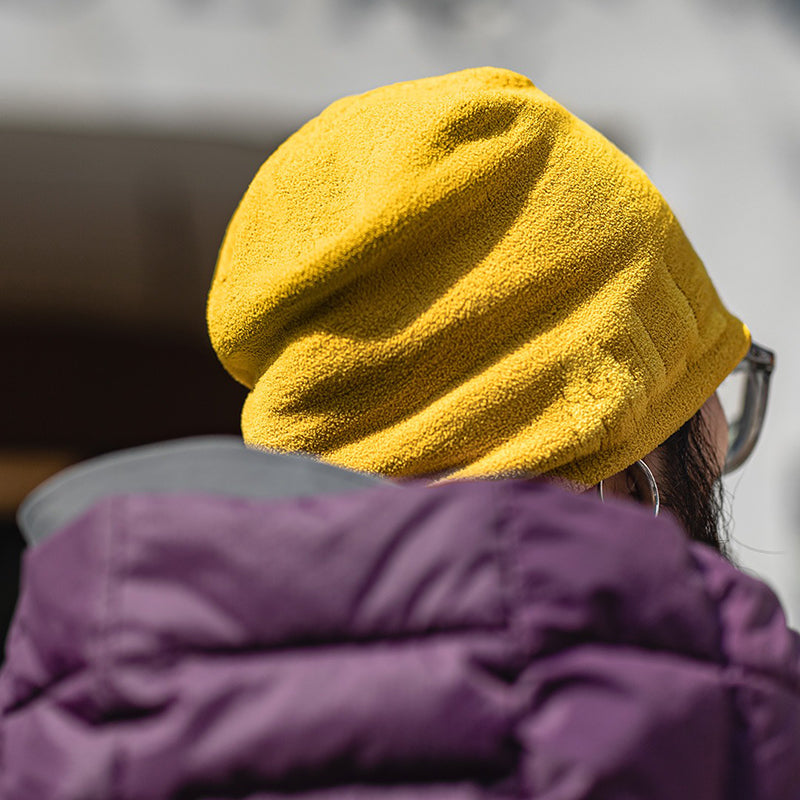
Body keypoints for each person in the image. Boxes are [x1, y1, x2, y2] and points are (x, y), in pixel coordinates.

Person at [1, 68, 797, 799]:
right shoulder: (743, 743)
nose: (725, 439)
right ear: (621, 478)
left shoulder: (56, 746)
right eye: (714, 390)